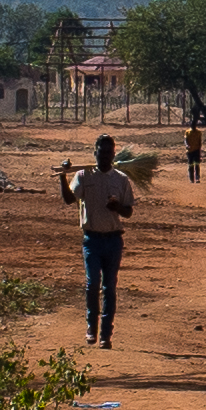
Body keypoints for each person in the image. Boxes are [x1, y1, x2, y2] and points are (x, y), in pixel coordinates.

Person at [61, 134, 138, 345]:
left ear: (113, 155)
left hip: (113, 241)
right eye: (101, 152)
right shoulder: (84, 175)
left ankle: (106, 334)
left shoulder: (121, 179)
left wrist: (118, 208)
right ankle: (91, 327)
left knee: (109, 288)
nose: (104, 156)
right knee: (92, 284)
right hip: (92, 240)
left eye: (108, 153)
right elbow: (69, 199)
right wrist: (62, 175)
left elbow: (128, 212)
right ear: (95, 153)